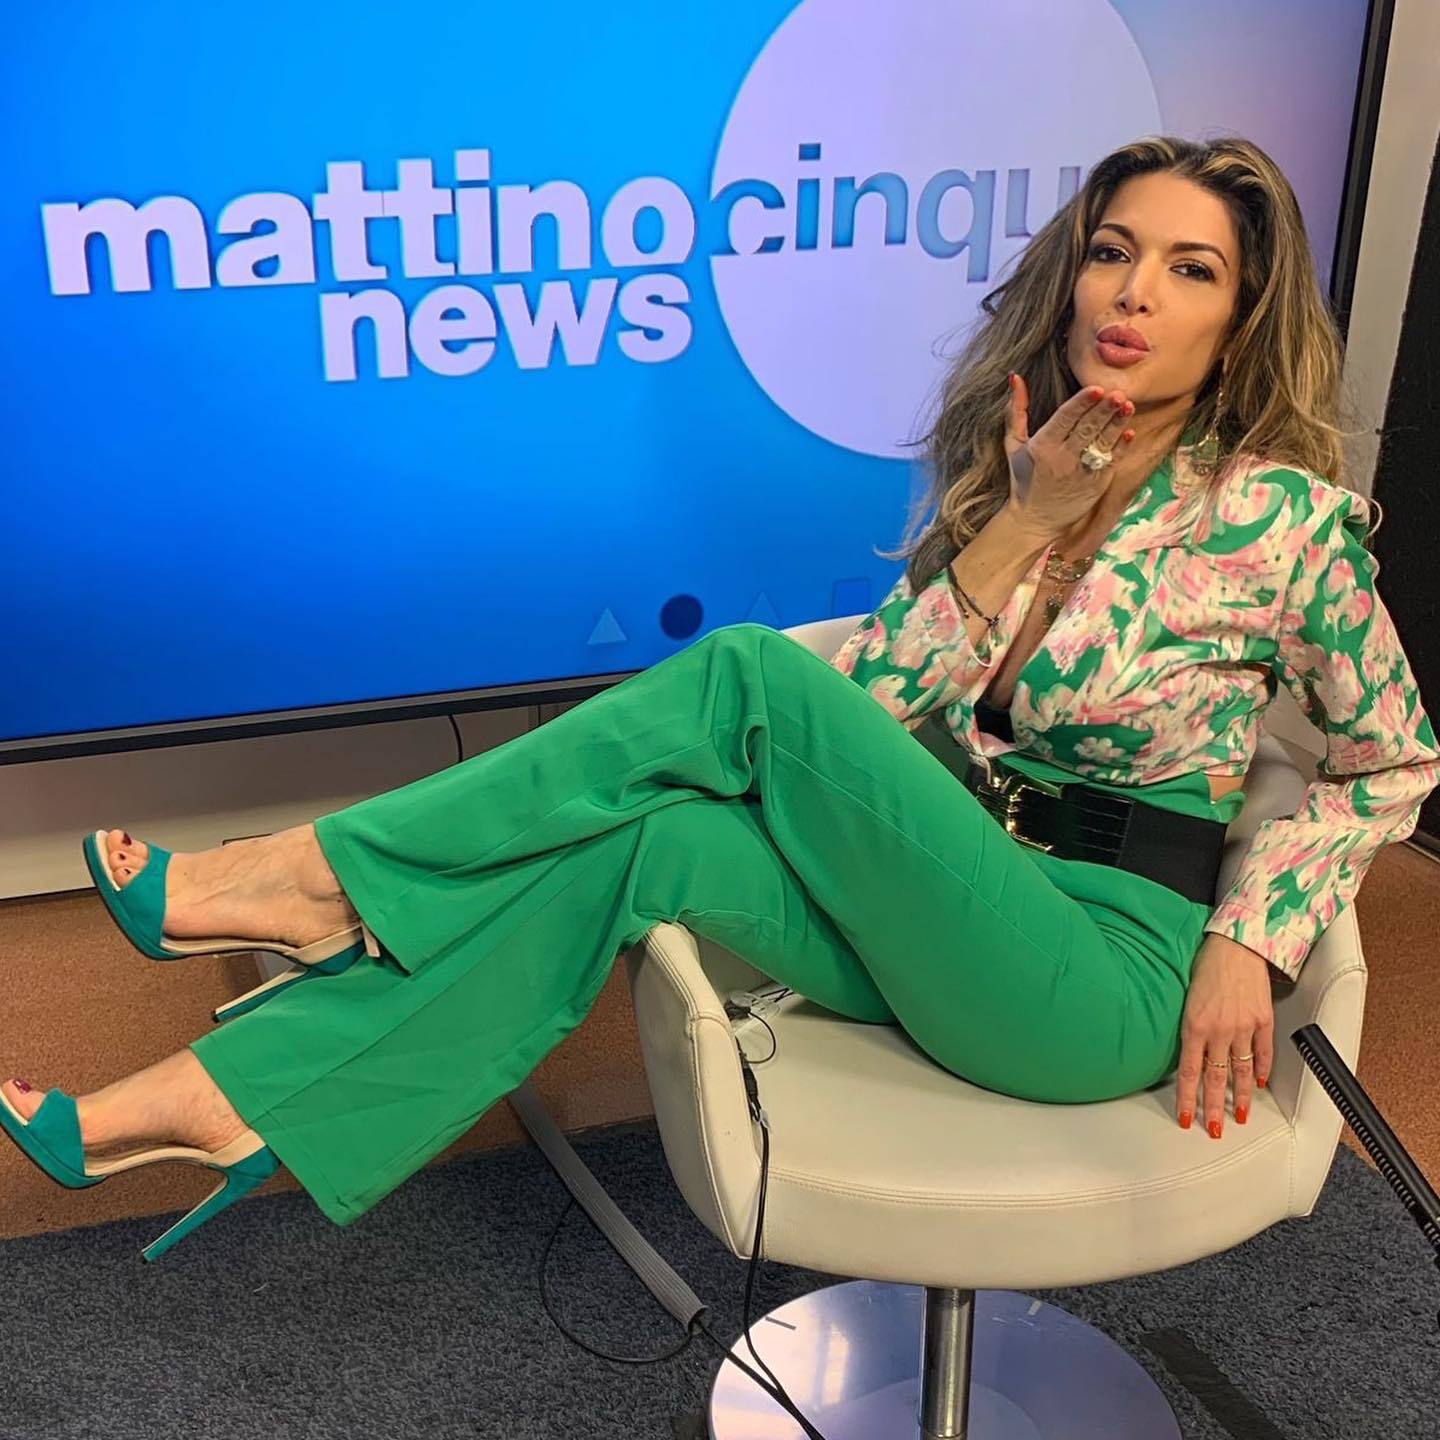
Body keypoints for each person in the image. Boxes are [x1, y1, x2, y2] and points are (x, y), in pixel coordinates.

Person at [4, 135, 1437, 1263]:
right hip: (959, 905)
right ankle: (239, 1100)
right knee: (658, 842)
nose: (1133, 293)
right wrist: (1022, 520)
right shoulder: (1029, 472)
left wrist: (1250, 939)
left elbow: (1390, 761)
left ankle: (315, 876)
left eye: (1191, 270)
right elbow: (870, 716)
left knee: (748, 673)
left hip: (1105, 975)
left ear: (1239, 321)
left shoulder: (1283, 526)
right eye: (1113, 253)